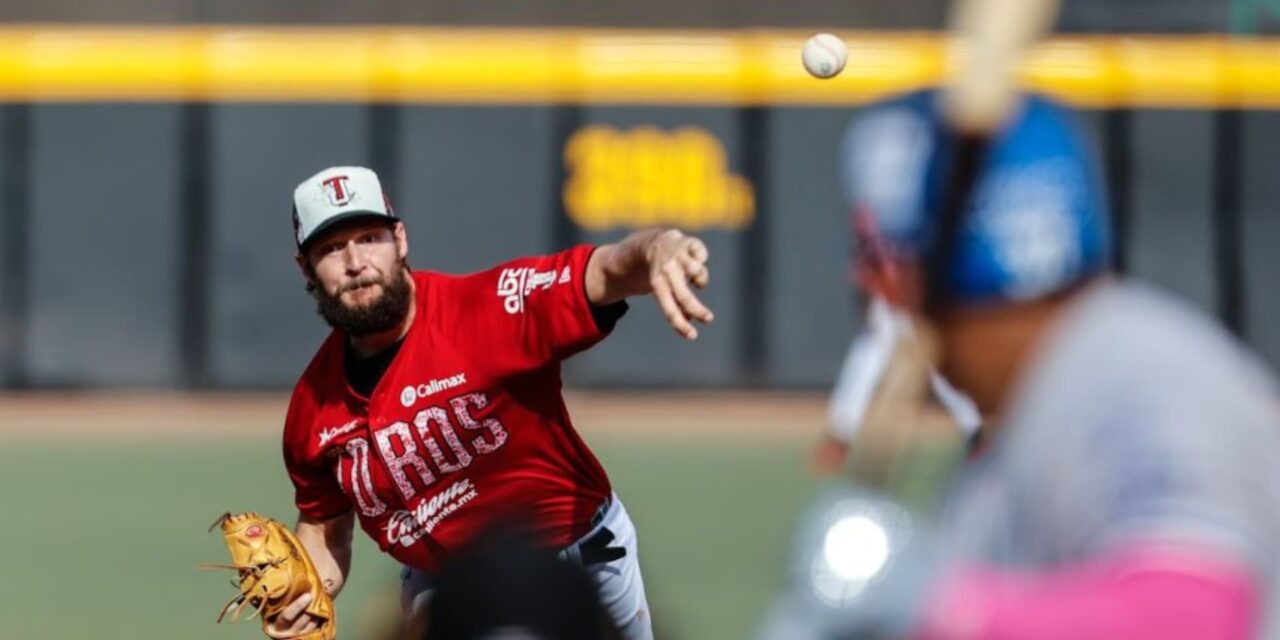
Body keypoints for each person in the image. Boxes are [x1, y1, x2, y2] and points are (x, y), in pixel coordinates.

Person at [763, 89, 1280, 640]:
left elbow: (1191, 621)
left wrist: (943, 609)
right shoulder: (1037, 417)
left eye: (881, 261)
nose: (876, 290)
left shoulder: (1139, 385)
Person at [269, 165, 714, 640]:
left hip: (574, 565)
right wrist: (304, 590)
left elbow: (604, 270)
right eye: (332, 249)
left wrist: (656, 248)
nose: (356, 262)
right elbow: (325, 530)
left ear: (400, 239)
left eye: (369, 237)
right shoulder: (312, 409)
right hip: (443, 593)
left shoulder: (490, 309)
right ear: (306, 267)